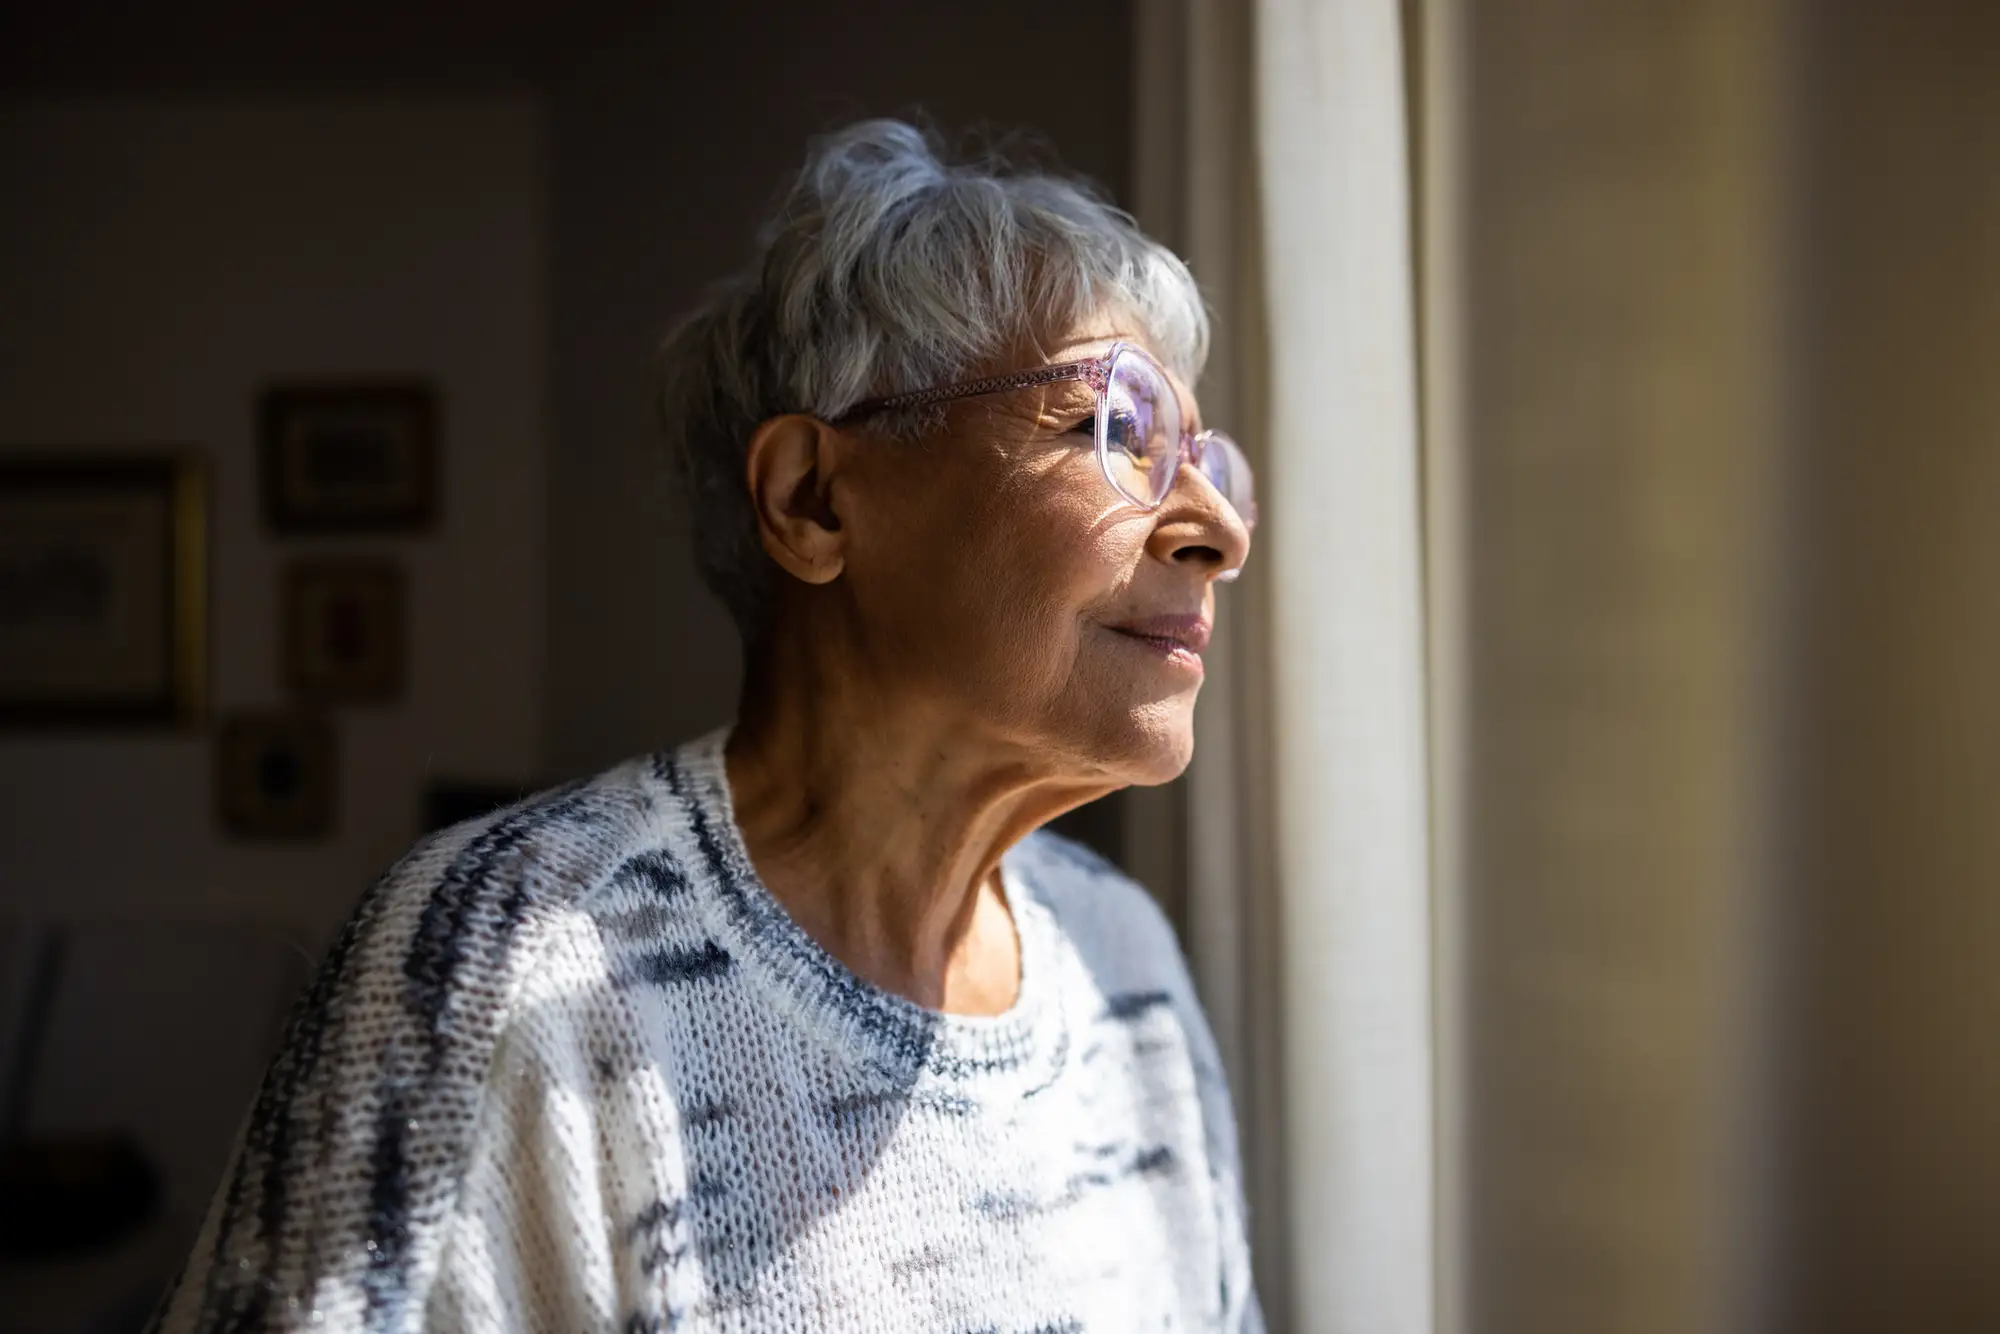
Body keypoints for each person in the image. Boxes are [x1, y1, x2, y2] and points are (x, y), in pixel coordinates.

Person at [150, 118, 1261, 1333]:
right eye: (1115, 430)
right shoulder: (509, 954)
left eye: (1205, 457)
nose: (1216, 527)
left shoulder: (1123, 964)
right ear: (813, 499)